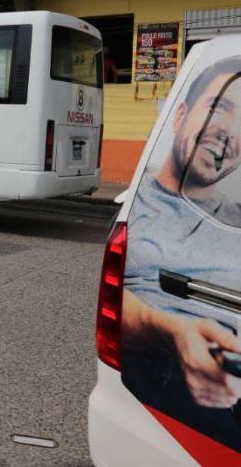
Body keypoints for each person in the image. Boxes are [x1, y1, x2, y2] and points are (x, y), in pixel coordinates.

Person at [121, 58, 241, 451]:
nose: (228, 132)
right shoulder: (137, 208)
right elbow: (112, 302)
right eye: (220, 107)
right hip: (174, 397)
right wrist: (170, 331)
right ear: (181, 116)